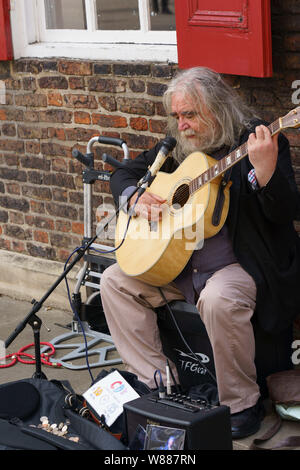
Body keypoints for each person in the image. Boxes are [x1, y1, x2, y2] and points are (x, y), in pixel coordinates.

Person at [100, 67, 300, 439]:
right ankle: (158, 385)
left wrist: (266, 171)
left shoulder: (255, 139)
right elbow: (125, 173)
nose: (182, 124)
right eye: (177, 116)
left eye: (190, 114)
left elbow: (285, 211)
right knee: (113, 281)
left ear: (218, 108)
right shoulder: (178, 147)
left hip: (238, 266)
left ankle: (242, 403)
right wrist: (135, 197)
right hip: (180, 266)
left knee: (219, 299)